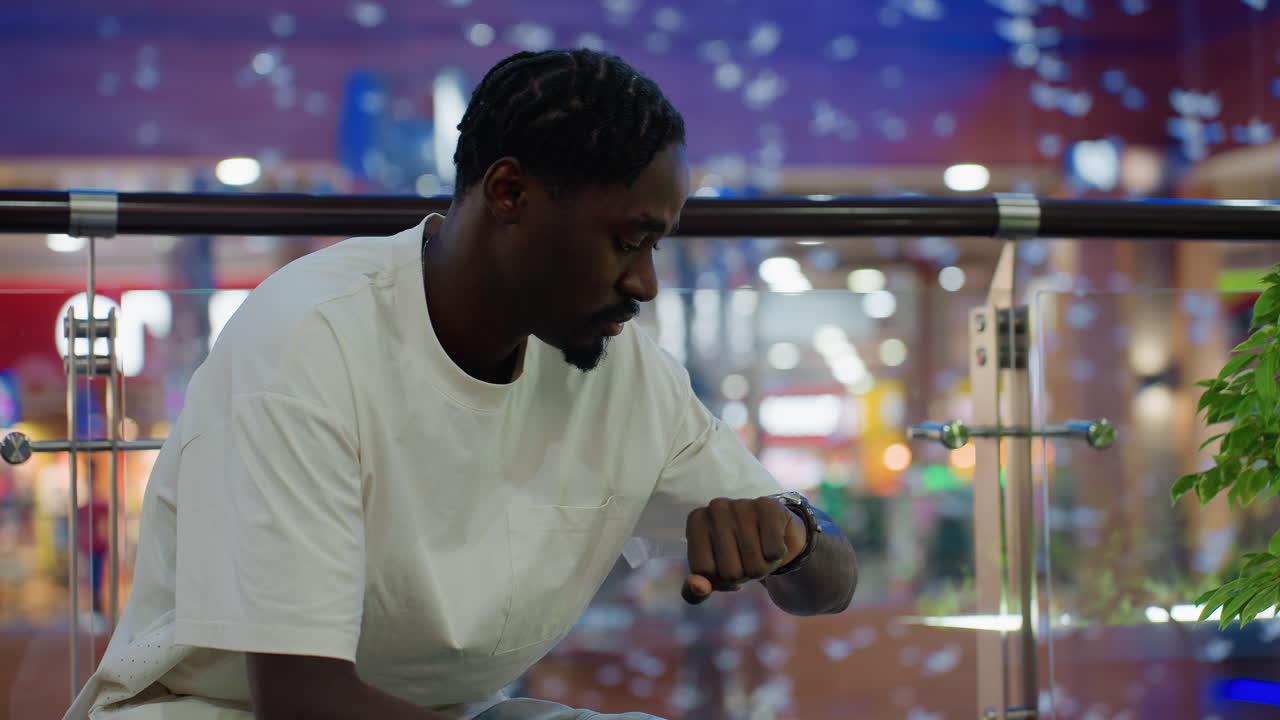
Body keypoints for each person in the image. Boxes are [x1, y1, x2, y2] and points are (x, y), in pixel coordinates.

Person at [65, 49, 857, 720]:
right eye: (626, 241)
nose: (645, 283)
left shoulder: (622, 370)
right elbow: (302, 700)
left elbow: (831, 583)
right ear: (508, 193)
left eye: (657, 245)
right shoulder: (310, 340)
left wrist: (791, 536)